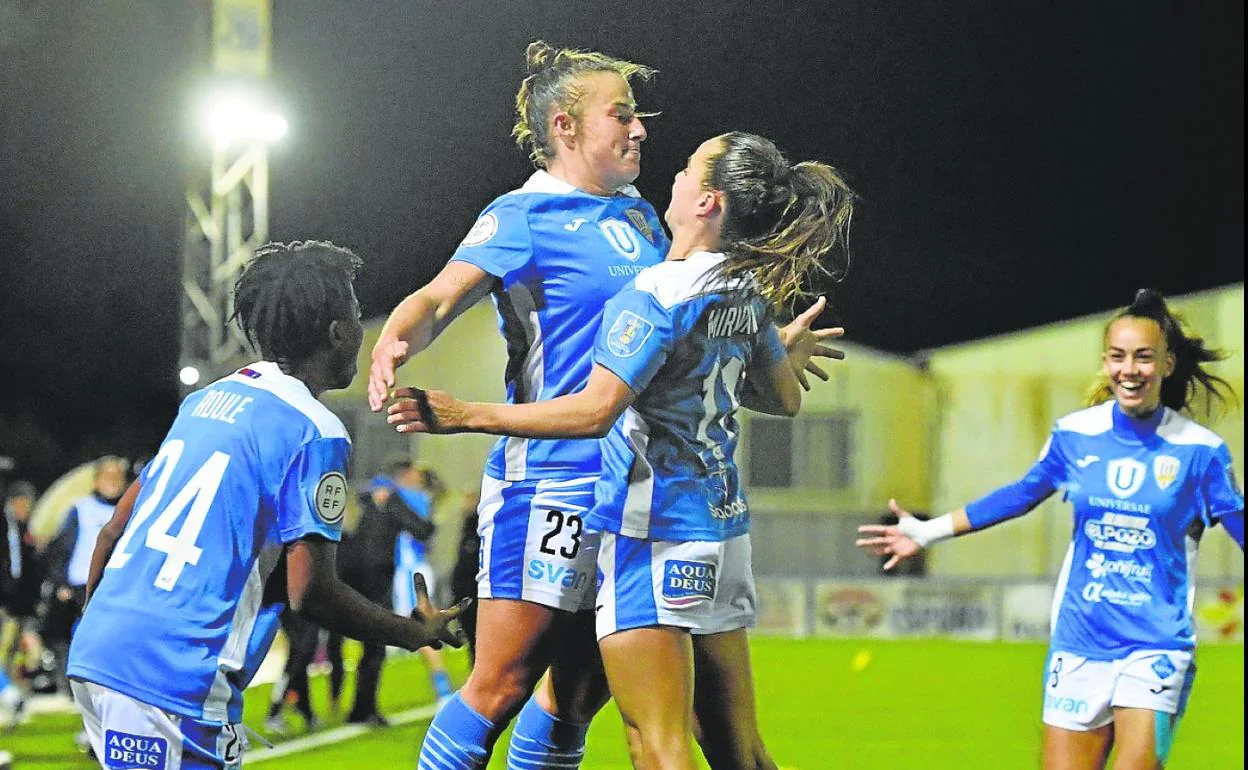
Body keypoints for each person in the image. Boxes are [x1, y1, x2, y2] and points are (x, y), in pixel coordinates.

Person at [390, 132, 855, 769]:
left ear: (708, 201)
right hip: (722, 529)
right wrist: (775, 350)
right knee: (737, 748)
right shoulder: (744, 292)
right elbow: (784, 399)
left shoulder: (654, 294)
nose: (676, 174)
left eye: (690, 169)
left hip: (651, 527)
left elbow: (594, 411)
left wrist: (467, 414)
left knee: (655, 741)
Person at [369, 41, 668, 770]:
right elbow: (442, 294)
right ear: (565, 128)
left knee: (576, 697)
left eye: (639, 116)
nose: (640, 130)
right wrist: (398, 337)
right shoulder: (524, 214)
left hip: (636, 485)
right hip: (551, 482)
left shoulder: (642, 218)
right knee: (500, 684)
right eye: (621, 115)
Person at [64, 240, 468, 770]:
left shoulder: (206, 400)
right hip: (177, 673)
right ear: (339, 332)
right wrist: (413, 632)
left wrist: (104, 628)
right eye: (352, 312)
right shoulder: (315, 429)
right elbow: (312, 594)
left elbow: (114, 530)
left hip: (101, 653)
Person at [856, 289, 1245, 770]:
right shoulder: (1075, 434)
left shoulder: (1201, 452)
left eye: (1144, 358)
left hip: (1156, 647)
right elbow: (1019, 495)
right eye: (1119, 357)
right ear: (1105, 363)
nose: (1131, 369)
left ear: (1167, 364)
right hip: (1079, 643)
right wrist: (926, 532)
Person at [42, 456, 127, 695]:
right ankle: (82, 693)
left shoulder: (130, 509)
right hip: (84, 585)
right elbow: (60, 548)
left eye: (117, 477)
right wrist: (60, 582)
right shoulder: (81, 509)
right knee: (86, 641)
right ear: (96, 481)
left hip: (117, 584)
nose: (112, 481)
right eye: (107, 476)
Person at [388, 465, 455, 711]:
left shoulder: (412, 497)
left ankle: (444, 690)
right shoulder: (423, 500)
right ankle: (443, 688)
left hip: (410, 572)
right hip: (415, 569)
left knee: (423, 628)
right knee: (421, 628)